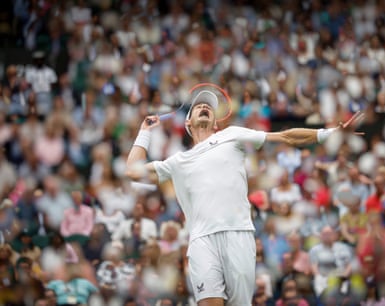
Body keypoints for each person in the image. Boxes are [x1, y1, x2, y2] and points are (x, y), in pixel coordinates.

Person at [125, 88, 364, 306]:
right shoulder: (177, 162)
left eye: (208, 106)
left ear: (216, 124)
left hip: (239, 234)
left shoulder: (232, 135)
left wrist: (329, 133)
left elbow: (286, 137)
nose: (205, 107)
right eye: (198, 106)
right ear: (188, 122)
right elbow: (132, 171)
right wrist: (144, 131)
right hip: (201, 241)